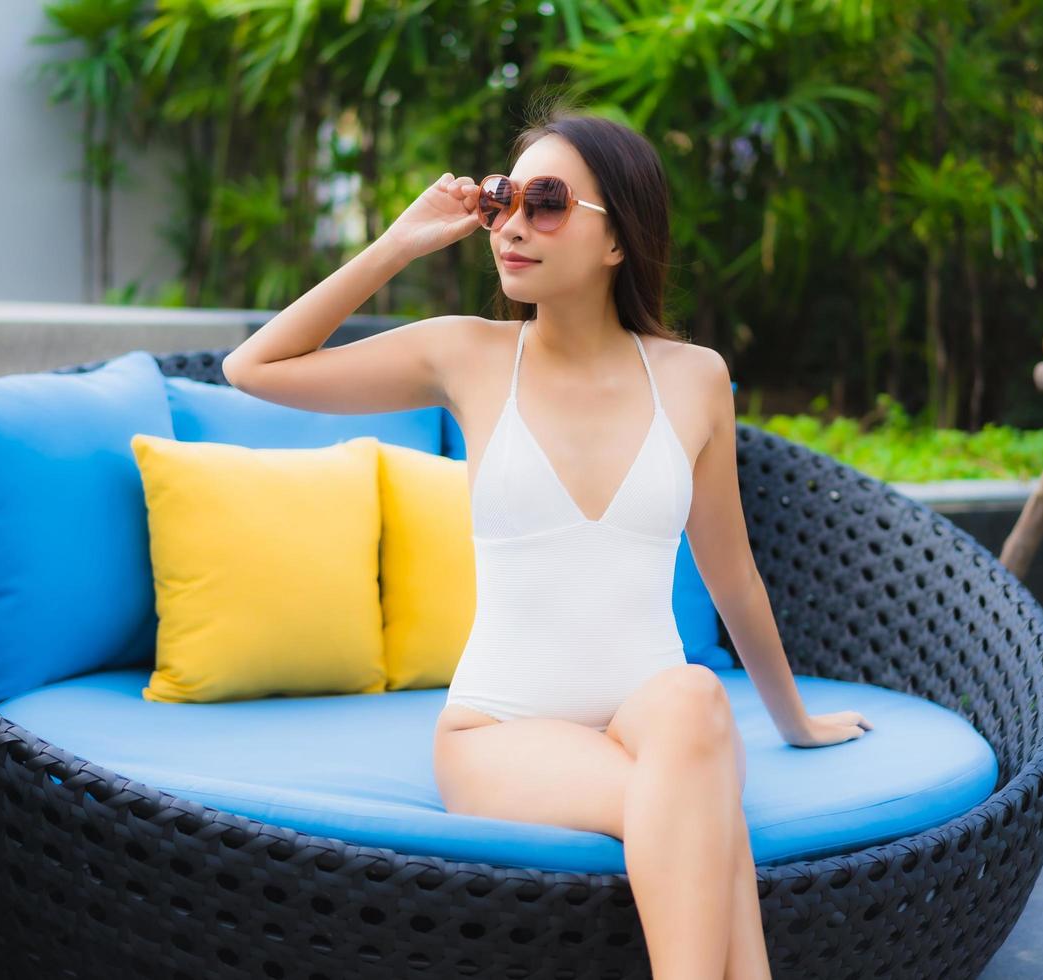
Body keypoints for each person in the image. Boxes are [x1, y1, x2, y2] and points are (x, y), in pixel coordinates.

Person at [222, 105, 873, 980]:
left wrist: (795, 723)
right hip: (500, 730)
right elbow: (253, 368)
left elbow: (732, 574)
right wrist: (401, 243)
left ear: (618, 242)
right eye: (502, 202)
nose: (513, 227)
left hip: (655, 720)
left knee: (691, 696)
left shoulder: (695, 378)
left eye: (548, 203)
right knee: (696, 807)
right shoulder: (468, 354)